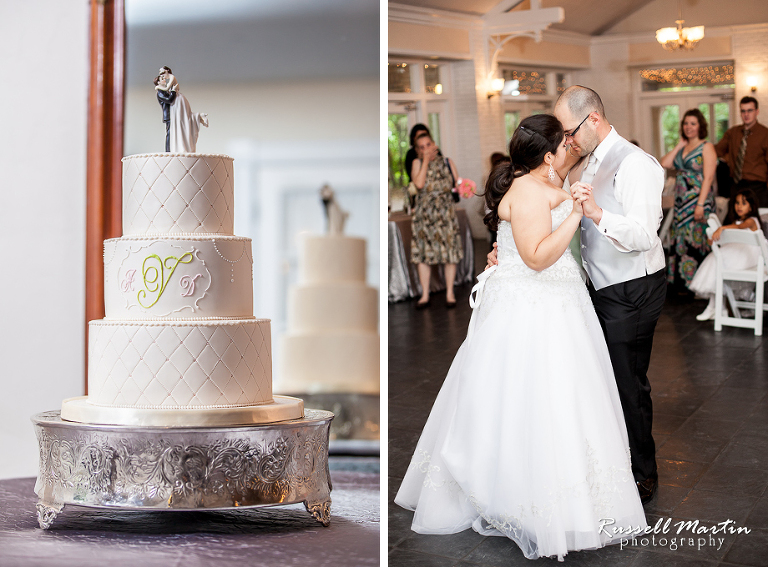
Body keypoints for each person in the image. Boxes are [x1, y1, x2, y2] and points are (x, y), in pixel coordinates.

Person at [395, 114, 647, 561]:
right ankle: (525, 497)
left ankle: (576, 494)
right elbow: (535, 257)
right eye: (563, 141)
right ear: (548, 155)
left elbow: (529, 234)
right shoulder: (530, 190)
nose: (571, 145)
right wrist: (575, 213)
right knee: (533, 398)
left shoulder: (546, 178)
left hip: (559, 300)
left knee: (566, 397)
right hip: (535, 303)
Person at [488, 86, 666, 504]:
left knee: (626, 381)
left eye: (569, 131)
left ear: (594, 120)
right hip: (589, 287)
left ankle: (643, 473)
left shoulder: (635, 164)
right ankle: (604, 464)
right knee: (595, 379)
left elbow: (644, 235)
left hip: (629, 286)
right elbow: (535, 196)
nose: (565, 141)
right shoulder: (579, 159)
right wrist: (506, 250)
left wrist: (596, 213)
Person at [660, 109, 717, 294]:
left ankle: (699, 287)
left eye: (693, 123)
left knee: (697, 240)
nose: (688, 127)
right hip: (681, 202)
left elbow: (708, 178)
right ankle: (682, 285)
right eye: (686, 123)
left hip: (699, 201)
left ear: (700, 126)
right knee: (681, 240)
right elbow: (664, 163)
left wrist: (700, 204)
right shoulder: (683, 147)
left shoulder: (706, 147)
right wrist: (679, 144)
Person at [690, 189, 764, 320]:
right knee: (717, 261)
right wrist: (714, 237)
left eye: (744, 203)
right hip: (739, 253)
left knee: (719, 261)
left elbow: (741, 227)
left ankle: (714, 307)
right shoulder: (735, 222)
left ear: (751, 206)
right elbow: (732, 234)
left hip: (749, 256)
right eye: (737, 203)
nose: (739, 206)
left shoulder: (751, 221)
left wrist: (722, 228)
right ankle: (719, 307)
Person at [410, 131, 463, 309]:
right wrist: (425, 160)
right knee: (423, 255)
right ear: (418, 150)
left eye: (428, 145)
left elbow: (458, 185)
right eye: (422, 147)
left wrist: (466, 187)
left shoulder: (447, 162)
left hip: (445, 213)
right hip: (424, 215)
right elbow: (419, 184)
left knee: (450, 253)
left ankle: (449, 293)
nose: (426, 149)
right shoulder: (417, 163)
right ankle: (425, 294)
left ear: (434, 145)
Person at [715, 96, 768, 207]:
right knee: (732, 217)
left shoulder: (765, 134)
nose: (746, 114)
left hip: (757, 187)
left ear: (757, 111)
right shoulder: (733, 132)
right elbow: (716, 151)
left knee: (758, 217)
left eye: (750, 110)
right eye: (743, 111)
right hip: (736, 185)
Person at [155, 66, 209, 153]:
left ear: (167, 71)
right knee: (173, 130)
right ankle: (170, 150)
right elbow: (169, 98)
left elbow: (169, 97)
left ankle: (172, 150)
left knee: (181, 122)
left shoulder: (170, 80)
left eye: (163, 74)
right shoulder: (160, 92)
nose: (163, 77)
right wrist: (171, 90)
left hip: (176, 104)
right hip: (171, 111)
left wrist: (170, 90)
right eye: (161, 77)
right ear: (158, 82)